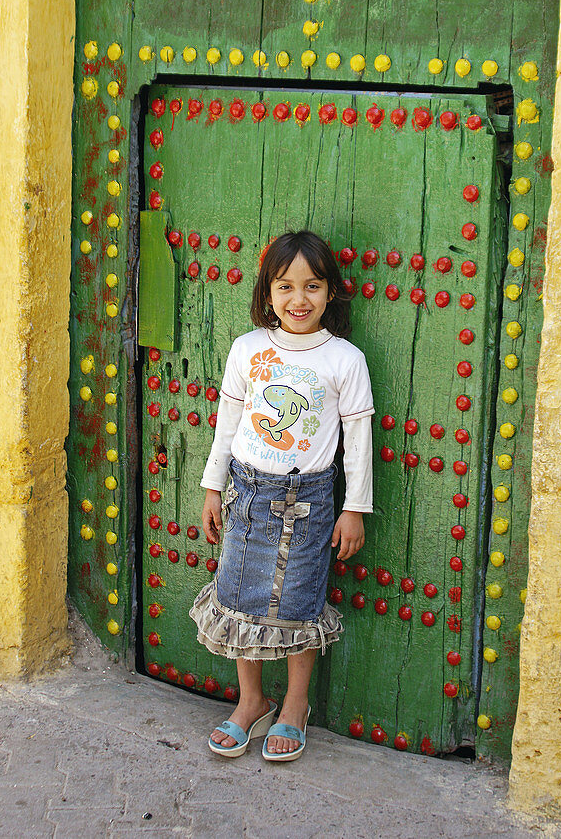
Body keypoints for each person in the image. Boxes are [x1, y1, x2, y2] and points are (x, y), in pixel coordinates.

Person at [190, 230, 374, 762]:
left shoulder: (345, 359)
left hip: (310, 501)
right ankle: (251, 702)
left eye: (312, 286)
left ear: (330, 292)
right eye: (285, 286)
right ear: (267, 293)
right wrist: (212, 487)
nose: (299, 300)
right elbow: (228, 426)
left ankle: (295, 706)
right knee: (238, 597)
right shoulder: (247, 349)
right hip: (245, 495)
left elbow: (358, 440)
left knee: (299, 605)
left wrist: (354, 507)